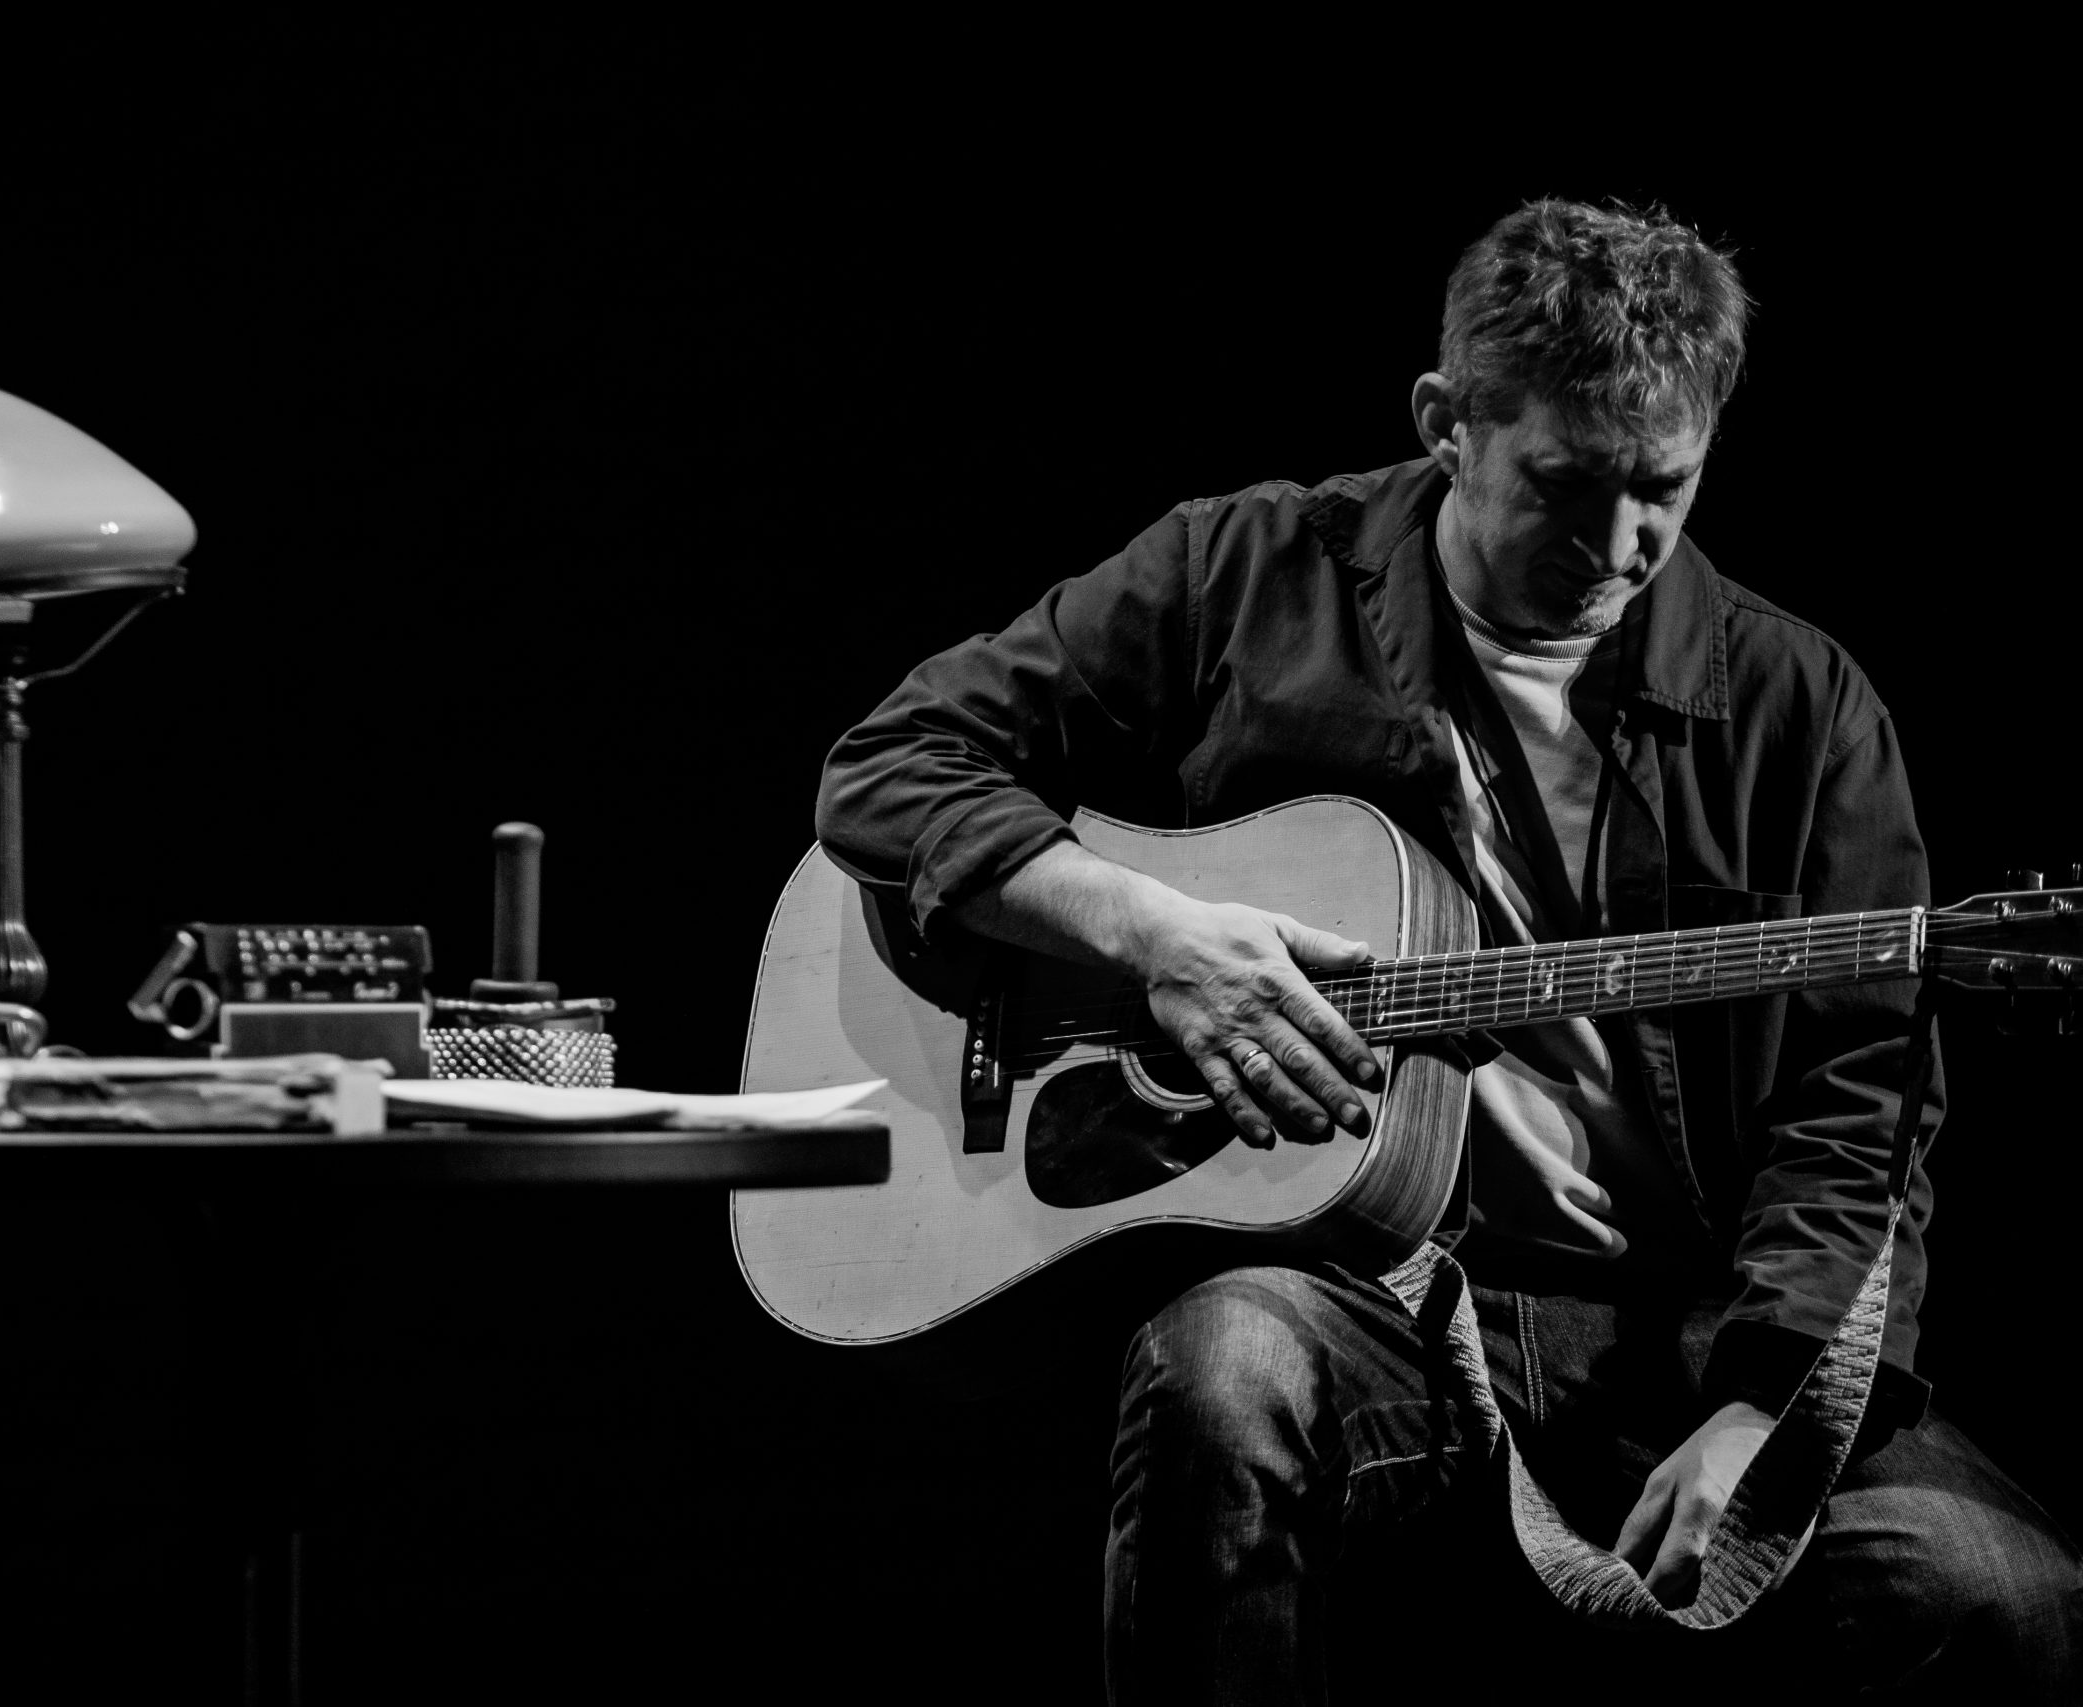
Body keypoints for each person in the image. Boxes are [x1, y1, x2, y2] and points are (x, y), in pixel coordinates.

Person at [814, 199, 2080, 1702]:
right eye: (1566, 484)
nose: (1618, 548)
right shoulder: (1246, 573)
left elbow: (1858, 1112)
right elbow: (889, 769)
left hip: (1688, 1331)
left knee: (2002, 1593)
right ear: (1446, 424)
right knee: (1222, 1373)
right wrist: (1152, 933)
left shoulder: (1801, 705)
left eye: (1664, 490)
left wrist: (1760, 1403)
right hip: (1375, 1298)